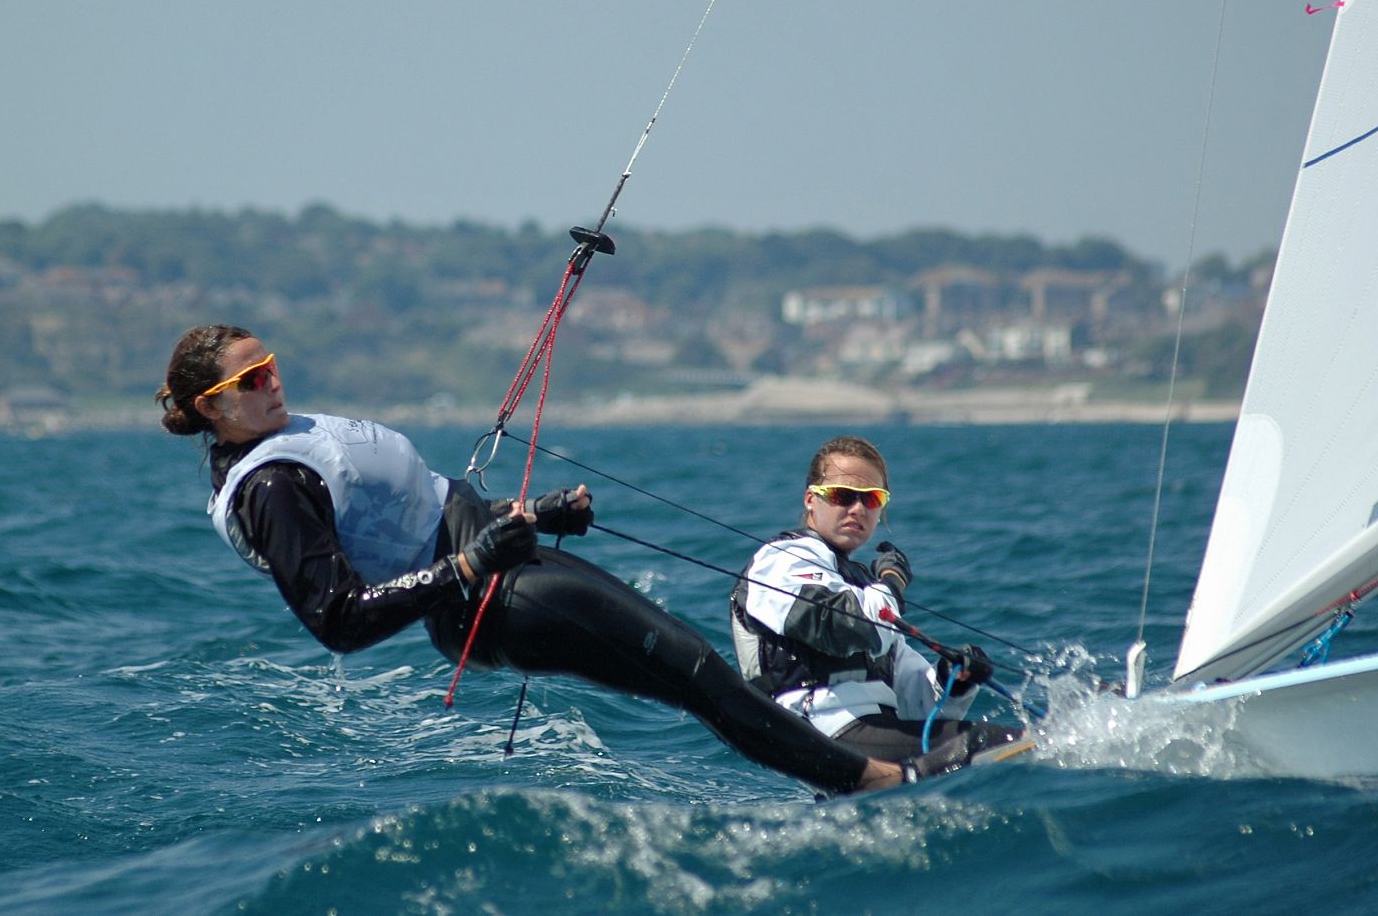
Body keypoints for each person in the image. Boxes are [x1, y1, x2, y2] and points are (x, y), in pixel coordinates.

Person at [157, 324, 906, 794]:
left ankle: (854, 777)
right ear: (211, 409)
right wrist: (471, 564)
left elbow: (417, 515)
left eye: (271, 365)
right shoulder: (273, 488)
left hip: (492, 562)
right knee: (697, 675)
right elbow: (339, 620)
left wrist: (533, 516)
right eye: (250, 381)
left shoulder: (281, 437)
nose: (273, 383)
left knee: (697, 672)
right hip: (485, 602)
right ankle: (872, 781)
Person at [730, 435, 1024, 778]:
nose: (857, 509)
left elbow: (920, 704)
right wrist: (892, 583)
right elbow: (853, 627)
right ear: (811, 499)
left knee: (1001, 742)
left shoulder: (862, 586)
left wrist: (954, 680)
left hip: (873, 730)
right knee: (999, 744)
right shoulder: (781, 560)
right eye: (842, 495)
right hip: (818, 732)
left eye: (871, 499)